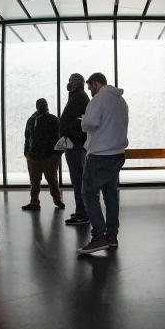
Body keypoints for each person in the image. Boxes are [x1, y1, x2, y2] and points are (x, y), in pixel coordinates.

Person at [76, 73, 128, 255]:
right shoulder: (121, 101)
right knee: (111, 195)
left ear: (97, 84)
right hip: (118, 154)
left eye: (91, 87)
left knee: (88, 194)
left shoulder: (98, 100)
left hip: (100, 155)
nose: (90, 91)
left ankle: (98, 237)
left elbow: (90, 123)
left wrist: (83, 122)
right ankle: (112, 236)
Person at [22, 98, 64, 211]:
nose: (42, 106)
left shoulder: (50, 120)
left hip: (48, 156)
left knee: (50, 179)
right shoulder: (34, 120)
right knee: (37, 180)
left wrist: (57, 154)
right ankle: (36, 201)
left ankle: (54, 199)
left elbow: (60, 137)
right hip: (36, 155)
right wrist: (27, 152)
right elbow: (27, 137)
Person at [60, 73, 90, 225]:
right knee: (77, 179)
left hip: (76, 144)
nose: (68, 82)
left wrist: (67, 132)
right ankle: (81, 210)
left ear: (77, 83)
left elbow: (79, 121)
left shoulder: (79, 97)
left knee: (78, 179)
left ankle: (83, 213)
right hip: (74, 143)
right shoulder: (77, 96)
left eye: (71, 80)